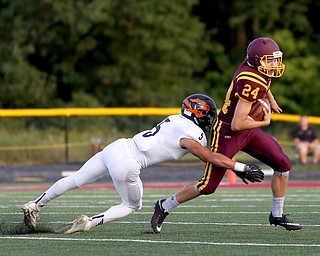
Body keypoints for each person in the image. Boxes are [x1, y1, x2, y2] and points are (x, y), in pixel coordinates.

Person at [21, 93, 264, 234]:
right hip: (129, 162)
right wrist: (241, 167)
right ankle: (89, 223)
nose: (210, 121)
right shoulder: (192, 134)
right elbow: (209, 157)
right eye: (208, 116)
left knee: (75, 179)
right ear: (199, 116)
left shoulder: (175, 119)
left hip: (118, 146)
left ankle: (36, 204)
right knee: (131, 206)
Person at [151, 37, 302, 234]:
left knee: (283, 164)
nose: (275, 64)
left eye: (276, 60)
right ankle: (164, 206)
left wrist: (270, 99)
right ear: (257, 61)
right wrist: (265, 122)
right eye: (270, 60)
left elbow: (265, 83)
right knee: (208, 185)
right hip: (229, 131)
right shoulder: (249, 80)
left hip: (248, 129)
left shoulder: (256, 67)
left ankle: (277, 214)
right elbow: (238, 123)